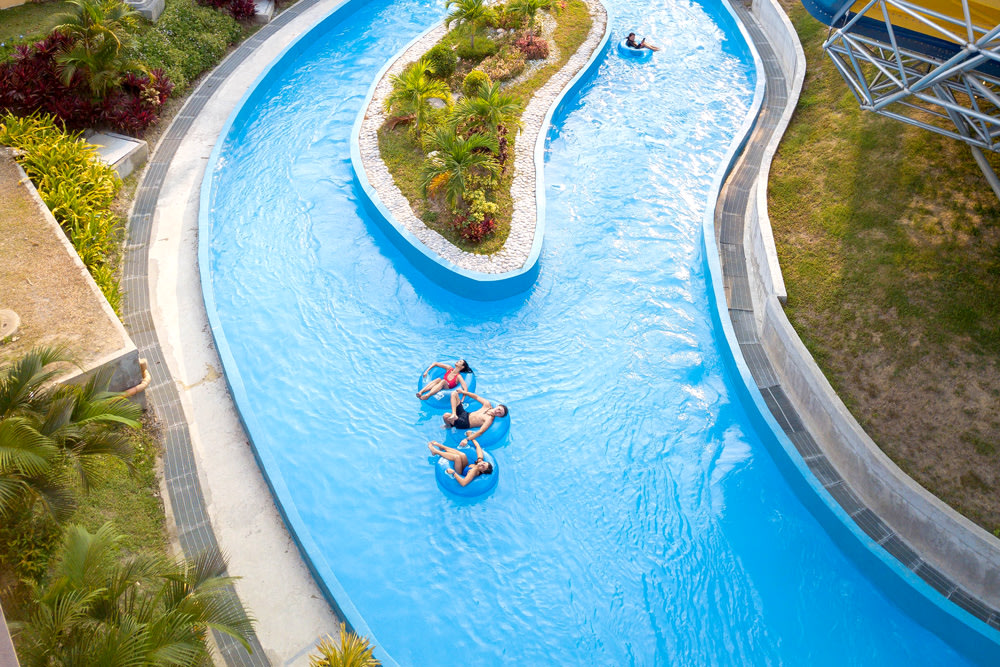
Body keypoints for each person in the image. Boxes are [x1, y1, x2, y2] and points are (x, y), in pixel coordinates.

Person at [442, 388, 508, 445]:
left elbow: (480, 432)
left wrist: (466, 439)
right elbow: (476, 397)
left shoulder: (489, 419)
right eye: (499, 409)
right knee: (454, 393)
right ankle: (454, 414)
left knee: (445, 416)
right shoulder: (487, 404)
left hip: (464, 422)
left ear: (499, 416)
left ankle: (450, 426)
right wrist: (463, 392)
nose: (497, 412)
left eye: (500, 413)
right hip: (465, 413)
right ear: (497, 406)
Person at [428, 439, 493, 487]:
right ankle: (441, 447)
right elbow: (478, 447)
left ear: (483, 471)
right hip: (465, 467)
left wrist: (453, 473)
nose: (482, 464)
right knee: (463, 455)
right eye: (484, 463)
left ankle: (435, 451)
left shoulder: (474, 471)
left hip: (460, 473)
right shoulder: (480, 462)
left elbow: (463, 483)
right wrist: (471, 438)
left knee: (457, 458)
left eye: (483, 467)